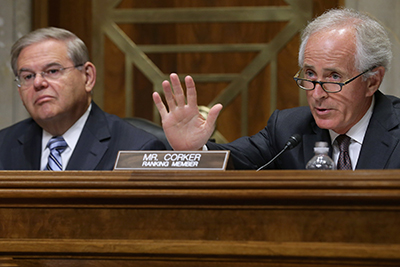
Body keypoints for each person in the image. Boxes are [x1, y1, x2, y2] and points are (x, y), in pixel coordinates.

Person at [153, 8, 400, 170]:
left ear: (372, 81)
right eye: (310, 75)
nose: (316, 94)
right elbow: (233, 163)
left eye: (334, 77)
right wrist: (194, 150)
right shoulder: (288, 129)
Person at [0, 27, 166, 170]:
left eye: (52, 71)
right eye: (28, 76)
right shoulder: (3, 146)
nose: (38, 83)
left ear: (87, 77)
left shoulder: (138, 149)